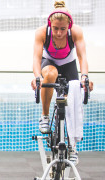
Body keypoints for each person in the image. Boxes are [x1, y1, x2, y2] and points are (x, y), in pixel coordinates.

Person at [31, 0, 93, 165]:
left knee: (74, 94)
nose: (59, 33)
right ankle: (44, 116)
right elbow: (36, 59)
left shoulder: (76, 32)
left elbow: (82, 57)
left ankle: (72, 146)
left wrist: (85, 76)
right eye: (56, 28)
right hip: (49, 63)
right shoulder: (42, 32)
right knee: (51, 74)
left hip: (69, 64)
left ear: (69, 26)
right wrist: (37, 77)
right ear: (50, 25)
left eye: (63, 29)